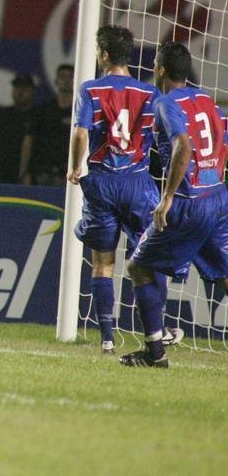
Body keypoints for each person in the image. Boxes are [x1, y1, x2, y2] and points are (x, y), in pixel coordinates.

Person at [66, 26, 176, 354]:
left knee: (102, 263)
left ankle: (107, 339)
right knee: (149, 260)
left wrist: (75, 166)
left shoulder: (90, 89)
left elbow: (81, 133)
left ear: (103, 54)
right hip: (138, 183)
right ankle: (157, 331)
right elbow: (165, 138)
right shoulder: (150, 93)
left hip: (102, 181)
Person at [120, 41, 228, 368]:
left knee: (138, 267)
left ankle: (155, 353)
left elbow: (183, 145)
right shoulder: (206, 99)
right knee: (225, 273)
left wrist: (167, 198)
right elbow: (221, 139)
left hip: (188, 202)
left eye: (155, 63)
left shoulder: (165, 103)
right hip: (217, 196)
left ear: (161, 69)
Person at [21, 63, 75, 186]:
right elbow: (29, 140)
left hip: (68, 173)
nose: (66, 81)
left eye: (71, 77)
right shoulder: (44, 110)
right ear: (56, 81)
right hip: (43, 171)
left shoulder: (81, 110)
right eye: (62, 76)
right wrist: (24, 171)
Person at [0, 72, 36, 183]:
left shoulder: (38, 116)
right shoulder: (1, 115)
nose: (20, 92)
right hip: (1, 171)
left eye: (24, 88)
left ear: (32, 91)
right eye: (17, 88)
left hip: (28, 174)